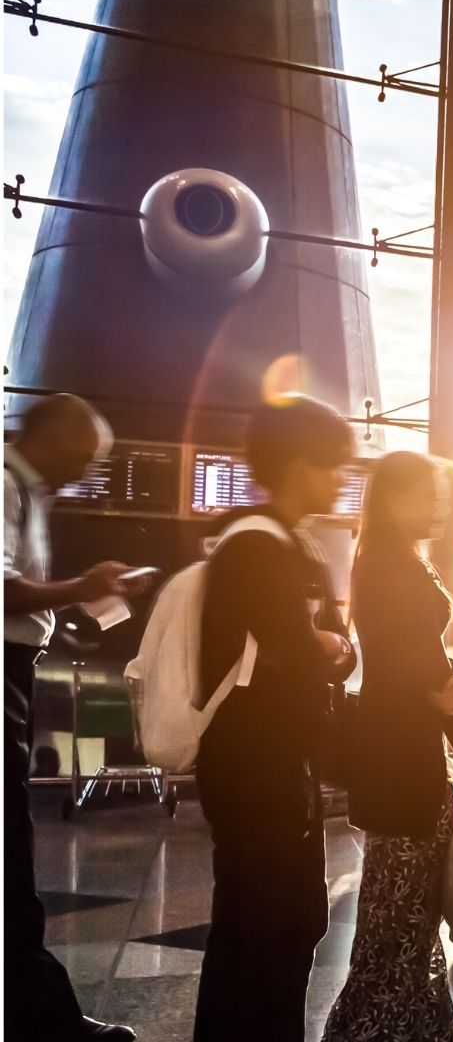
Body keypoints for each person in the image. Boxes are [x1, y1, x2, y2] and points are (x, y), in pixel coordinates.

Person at [194, 397, 359, 1041]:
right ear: (298, 463)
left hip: (283, 764)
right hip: (252, 764)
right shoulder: (256, 546)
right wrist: (324, 649)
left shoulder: (296, 544)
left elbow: (334, 650)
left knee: (290, 923)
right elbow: (300, 651)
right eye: (332, 463)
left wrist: (330, 649)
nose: (341, 477)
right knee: (259, 929)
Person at [324, 453, 453, 1041]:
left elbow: (432, 670)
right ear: (393, 499)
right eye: (429, 494)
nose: (440, 505)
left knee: (410, 903)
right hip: (400, 760)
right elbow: (425, 671)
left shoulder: (391, 561)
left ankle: (419, 1020)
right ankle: (373, 1028)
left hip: (402, 751)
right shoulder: (391, 565)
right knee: (399, 906)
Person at [4, 394, 146, 1042]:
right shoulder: (5, 484)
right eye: (84, 454)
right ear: (53, 437)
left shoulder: (30, 495)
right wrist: (79, 588)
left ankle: (39, 1013)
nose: (88, 468)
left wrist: (77, 612)